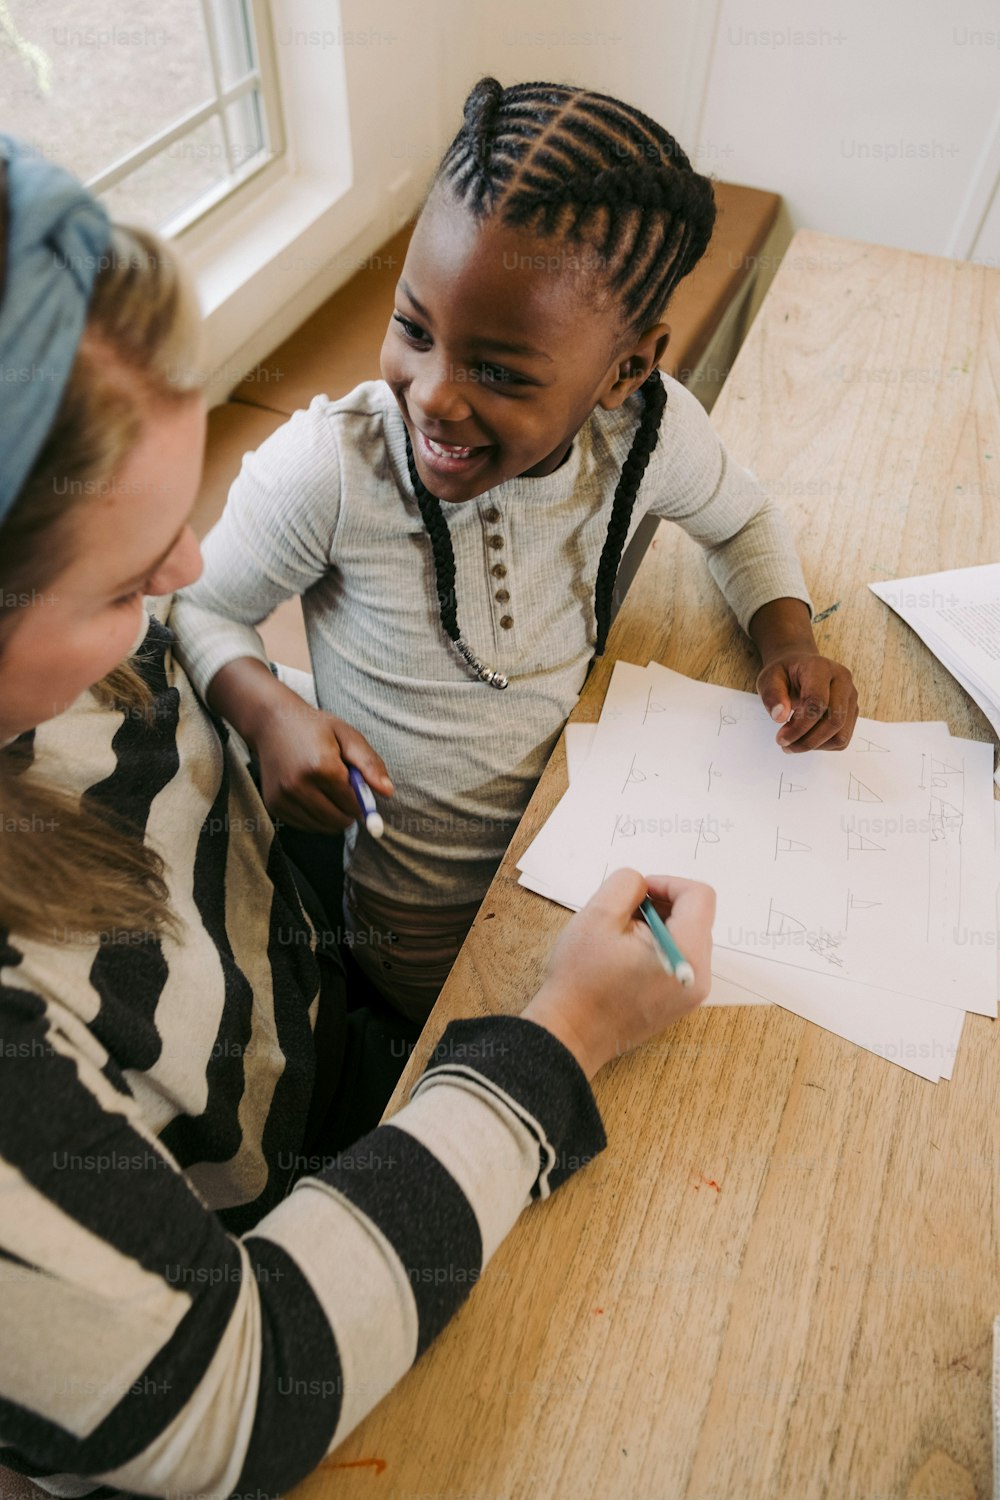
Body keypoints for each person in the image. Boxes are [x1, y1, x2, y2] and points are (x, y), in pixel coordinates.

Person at [0, 135, 715, 1499]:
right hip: (272, 1269)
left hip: (323, 1053)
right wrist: (561, 1039)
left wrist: (257, 717)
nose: (190, 572)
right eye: (117, 588)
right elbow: (235, 1397)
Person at [171, 77, 859, 1023]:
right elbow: (198, 607)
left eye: (497, 371)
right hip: (404, 946)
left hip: (577, 888)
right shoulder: (335, 468)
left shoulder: (649, 438)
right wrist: (266, 709)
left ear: (627, 369)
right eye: (413, 327)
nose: (434, 396)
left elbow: (742, 521)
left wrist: (786, 638)